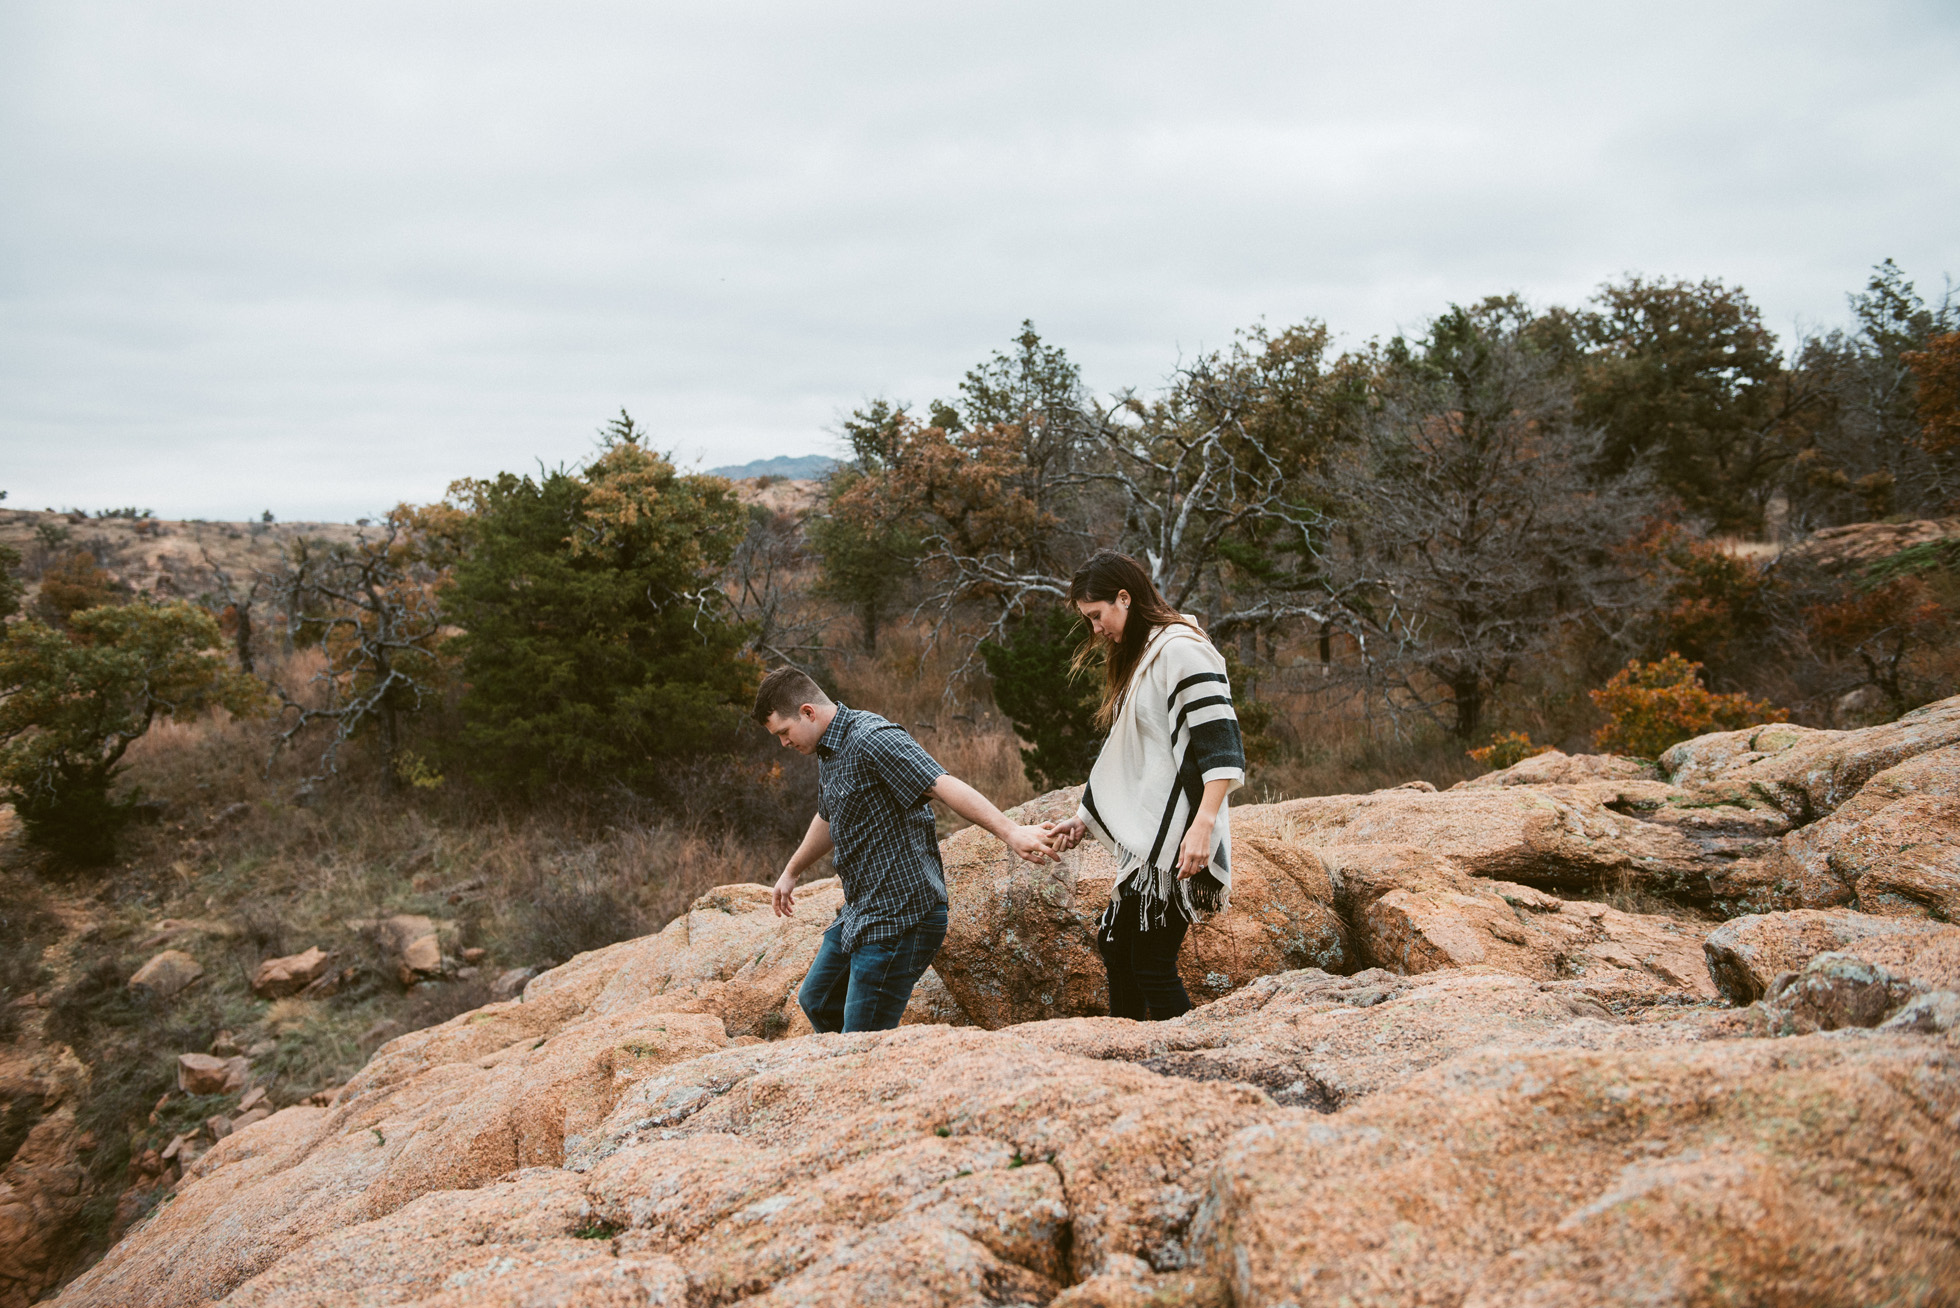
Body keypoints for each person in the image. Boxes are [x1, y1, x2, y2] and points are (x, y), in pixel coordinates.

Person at [754, 666, 1058, 1033]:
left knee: (862, 1040)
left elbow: (941, 783)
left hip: (902, 916)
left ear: (808, 712)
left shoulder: (872, 739)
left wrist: (1011, 832)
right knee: (817, 1000)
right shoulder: (829, 749)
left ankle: (870, 1067)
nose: (784, 744)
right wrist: (792, 871)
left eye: (784, 732)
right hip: (863, 909)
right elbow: (828, 815)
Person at [1049, 550, 1246, 1021]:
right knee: (1115, 946)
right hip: (1152, 842)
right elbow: (1132, 751)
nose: (1096, 628)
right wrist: (1083, 818)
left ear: (1125, 597)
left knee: (1153, 965)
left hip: (1178, 839)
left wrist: (1203, 826)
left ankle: (1186, 1058)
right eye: (1088, 619)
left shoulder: (1181, 649)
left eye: (1097, 615)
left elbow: (1221, 748)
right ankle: (1129, 1049)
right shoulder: (1145, 652)